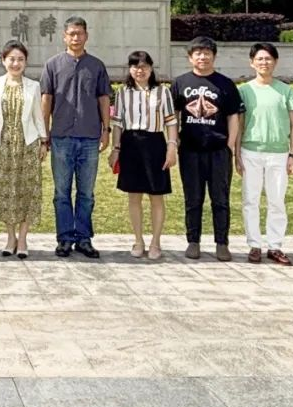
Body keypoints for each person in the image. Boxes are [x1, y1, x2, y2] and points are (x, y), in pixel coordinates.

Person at [40, 16, 111, 259]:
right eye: (71, 33)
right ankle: (64, 239)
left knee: (86, 193)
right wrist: (44, 133)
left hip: (90, 137)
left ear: (86, 36)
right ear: (64, 36)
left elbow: (104, 99)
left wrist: (106, 130)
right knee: (61, 192)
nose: (76, 37)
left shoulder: (97, 66)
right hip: (61, 137)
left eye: (80, 33)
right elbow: (46, 99)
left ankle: (83, 239)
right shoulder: (53, 65)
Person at [172, 36, 244, 262]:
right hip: (190, 149)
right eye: (198, 53)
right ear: (190, 57)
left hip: (218, 150)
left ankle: (222, 243)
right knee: (193, 198)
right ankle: (193, 241)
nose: (202, 57)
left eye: (207, 53)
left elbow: (233, 116)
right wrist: (174, 141)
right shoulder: (180, 83)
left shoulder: (225, 84)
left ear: (214, 56)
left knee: (220, 198)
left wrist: (229, 144)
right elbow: (174, 115)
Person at [108, 51, 178, 261]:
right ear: (130, 69)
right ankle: (138, 240)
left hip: (155, 143)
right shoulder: (122, 93)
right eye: (135, 66)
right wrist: (116, 149)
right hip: (130, 144)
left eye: (144, 66)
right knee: (134, 196)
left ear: (151, 68)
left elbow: (171, 121)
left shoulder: (163, 92)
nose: (140, 70)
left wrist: (172, 147)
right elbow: (117, 123)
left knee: (157, 196)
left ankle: (155, 242)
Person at [236, 42, 293, 266]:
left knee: (277, 200)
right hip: (250, 151)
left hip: (279, 153)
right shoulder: (244, 90)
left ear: (275, 62)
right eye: (260, 59)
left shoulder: (286, 90)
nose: (264, 62)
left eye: (268, 58)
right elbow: (239, 125)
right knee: (250, 200)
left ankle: (275, 246)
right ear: (252, 62)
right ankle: (254, 245)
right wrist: (237, 154)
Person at [0, 41, 47, 259]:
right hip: (2, 145)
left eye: (20, 59)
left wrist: (43, 141)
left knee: (27, 190)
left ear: (26, 62)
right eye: (11, 59)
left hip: (27, 144)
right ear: (4, 61)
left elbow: (38, 116)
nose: (16, 63)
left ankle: (22, 239)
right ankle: (10, 237)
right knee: (6, 191)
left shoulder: (33, 86)